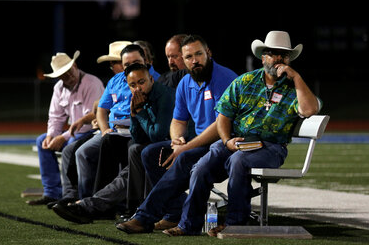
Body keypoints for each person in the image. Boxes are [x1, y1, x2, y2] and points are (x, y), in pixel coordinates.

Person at [148, 30, 320, 237]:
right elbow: (223, 116)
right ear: (263, 56)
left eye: (284, 55)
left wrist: (296, 76)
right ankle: (188, 225)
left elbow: (310, 110)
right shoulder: (245, 81)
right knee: (201, 166)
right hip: (236, 142)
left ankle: (235, 223)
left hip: (270, 148)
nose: (278, 59)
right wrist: (227, 140)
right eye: (273, 54)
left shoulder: (295, 87)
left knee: (238, 160)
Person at [116, 35, 238, 232]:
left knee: (184, 158)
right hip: (197, 143)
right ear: (184, 59)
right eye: (189, 57)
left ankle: (145, 216)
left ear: (208, 53)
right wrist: (176, 139)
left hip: (223, 143)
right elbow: (178, 120)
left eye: (198, 54)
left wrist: (185, 147)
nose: (194, 60)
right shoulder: (185, 83)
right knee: (150, 154)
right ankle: (174, 212)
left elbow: (220, 126)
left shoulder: (225, 79)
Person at [52, 62, 175, 223]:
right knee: (133, 153)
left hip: (177, 143)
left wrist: (140, 112)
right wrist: (135, 112)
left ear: (151, 79)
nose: (137, 88)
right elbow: (138, 136)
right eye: (132, 85)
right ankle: (94, 205)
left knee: (138, 153)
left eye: (141, 82)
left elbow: (158, 135)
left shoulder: (164, 95)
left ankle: (98, 206)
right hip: (153, 144)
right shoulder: (140, 96)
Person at [53, 41, 133, 209]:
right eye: (112, 63)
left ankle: (94, 202)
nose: (112, 67)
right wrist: (104, 129)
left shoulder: (144, 79)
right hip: (110, 130)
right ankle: (80, 198)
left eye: (114, 63)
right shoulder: (115, 81)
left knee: (81, 149)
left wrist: (95, 124)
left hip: (127, 131)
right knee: (78, 150)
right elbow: (100, 109)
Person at [26, 50, 105, 206]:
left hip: (91, 132)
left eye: (69, 71)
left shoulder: (91, 83)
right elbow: (55, 117)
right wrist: (51, 135)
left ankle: (71, 193)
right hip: (74, 133)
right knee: (42, 141)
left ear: (75, 65)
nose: (68, 76)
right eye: (63, 74)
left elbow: (90, 119)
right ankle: (51, 193)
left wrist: (63, 137)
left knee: (70, 146)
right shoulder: (59, 88)